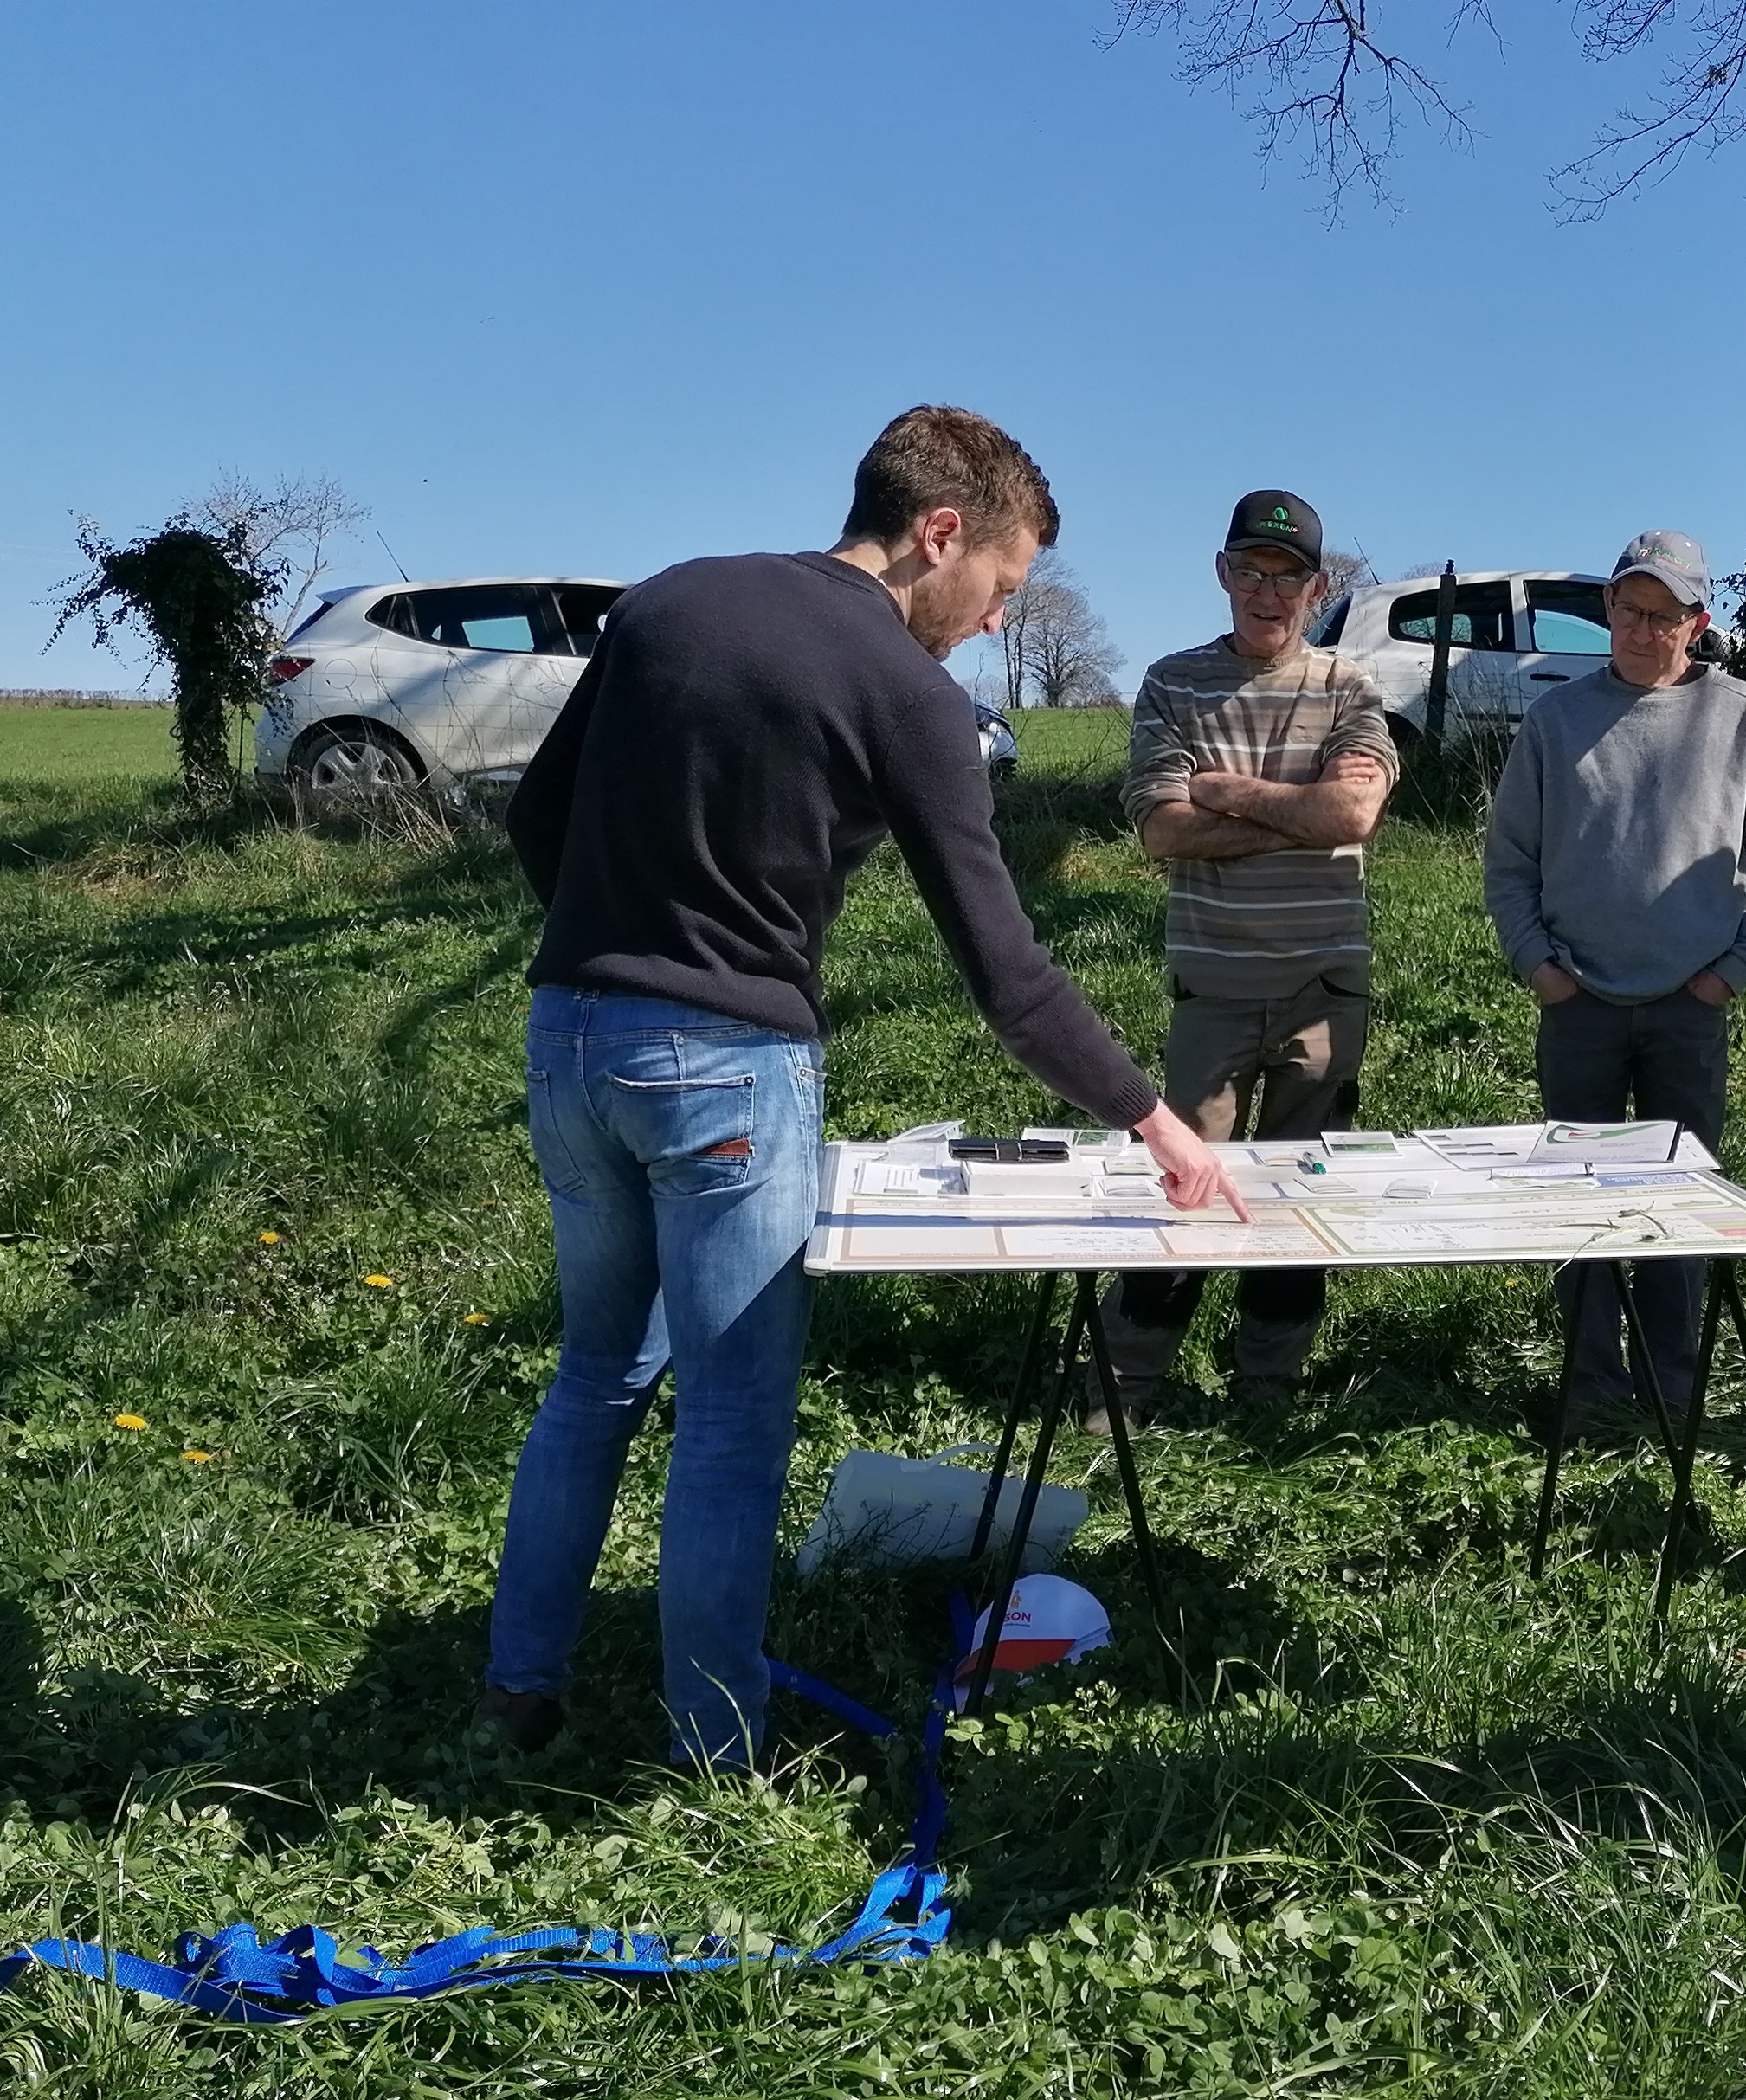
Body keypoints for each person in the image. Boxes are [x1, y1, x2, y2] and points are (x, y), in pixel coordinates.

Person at [485, 404, 1236, 1771]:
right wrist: (1156, 1117)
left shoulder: (671, 601)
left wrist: (624, 950)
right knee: (727, 1419)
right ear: (939, 533)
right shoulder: (911, 696)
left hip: (571, 1037)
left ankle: (518, 1688)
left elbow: (538, 815)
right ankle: (714, 1746)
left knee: (595, 1371)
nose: (993, 623)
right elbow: (1008, 975)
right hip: (727, 1069)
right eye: (1001, 587)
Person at [1483, 530, 1746, 1435]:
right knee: (1578, 1208)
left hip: (1687, 1010)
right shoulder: (1555, 720)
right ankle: (1589, 1390)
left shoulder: (1740, 717)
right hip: (1578, 1003)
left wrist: (1725, 978)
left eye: (1661, 614)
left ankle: (1673, 1391)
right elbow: (1508, 864)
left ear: (1697, 623)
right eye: (1627, 609)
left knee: (1678, 1211)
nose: (1638, 627)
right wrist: (1540, 970)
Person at [1102, 490, 1399, 1421]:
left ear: (1318, 588)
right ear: (1223, 572)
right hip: (1215, 985)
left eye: (1289, 578)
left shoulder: (1348, 687)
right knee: (1185, 1182)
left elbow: (1352, 814)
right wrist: (1293, 811)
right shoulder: (1170, 683)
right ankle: (1127, 1381)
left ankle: (1268, 1381)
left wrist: (1226, 789)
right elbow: (1159, 829)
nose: (1267, 595)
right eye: (1250, 572)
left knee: (1302, 1192)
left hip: (1324, 988)